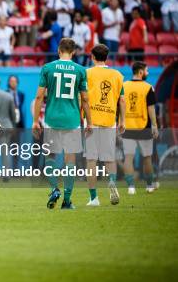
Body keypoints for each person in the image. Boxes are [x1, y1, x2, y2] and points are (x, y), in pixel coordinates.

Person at [32, 38, 92, 210]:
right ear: (73, 52)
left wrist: (36, 121)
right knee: (70, 160)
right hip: (72, 120)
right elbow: (85, 99)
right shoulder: (81, 70)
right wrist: (89, 121)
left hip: (51, 119)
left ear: (59, 50)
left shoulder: (47, 68)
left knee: (50, 157)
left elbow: (39, 96)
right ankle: (66, 201)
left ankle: (54, 188)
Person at [84, 44, 125, 207]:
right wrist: (123, 121)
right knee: (109, 157)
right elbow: (121, 100)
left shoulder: (87, 73)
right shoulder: (117, 75)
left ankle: (94, 198)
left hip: (91, 121)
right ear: (106, 57)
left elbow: (84, 97)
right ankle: (112, 182)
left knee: (91, 160)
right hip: (110, 120)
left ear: (93, 57)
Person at [122, 61, 158, 195]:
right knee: (147, 158)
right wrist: (154, 125)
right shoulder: (148, 87)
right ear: (141, 72)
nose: (147, 73)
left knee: (128, 157)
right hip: (144, 127)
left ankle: (131, 187)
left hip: (128, 127)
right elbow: (151, 109)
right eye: (147, 71)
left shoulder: (124, 86)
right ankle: (149, 185)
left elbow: (120, 107)